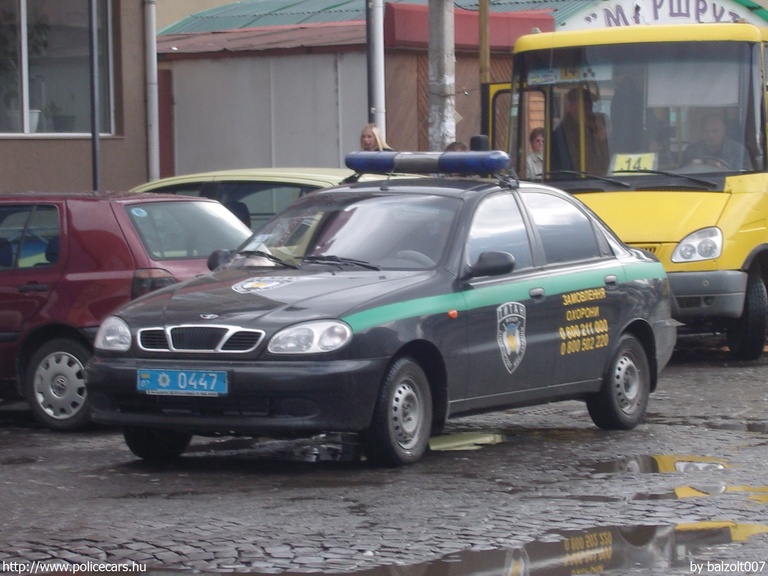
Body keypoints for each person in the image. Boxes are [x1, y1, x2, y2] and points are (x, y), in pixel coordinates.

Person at [550, 86, 610, 175]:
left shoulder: (590, 130)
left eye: (590, 107)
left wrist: (602, 138)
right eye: (585, 107)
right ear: (571, 107)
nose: (589, 112)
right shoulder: (566, 133)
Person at [682, 114, 752, 170]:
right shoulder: (692, 149)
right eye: (706, 131)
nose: (710, 135)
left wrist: (722, 169)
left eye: (715, 131)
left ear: (724, 130)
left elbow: (745, 175)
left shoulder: (738, 150)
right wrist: (690, 167)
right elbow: (681, 173)